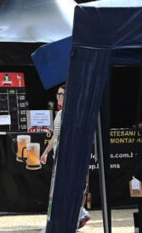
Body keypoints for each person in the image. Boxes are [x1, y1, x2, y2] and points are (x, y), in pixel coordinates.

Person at [41, 85, 90, 229]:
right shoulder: (60, 113)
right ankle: (78, 215)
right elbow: (55, 136)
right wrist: (45, 152)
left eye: (62, 94)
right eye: (58, 94)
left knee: (61, 189)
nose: (59, 97)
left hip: (67, 157)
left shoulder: (71, 113)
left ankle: (76, 215)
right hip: (60, 156)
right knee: (60, 190)